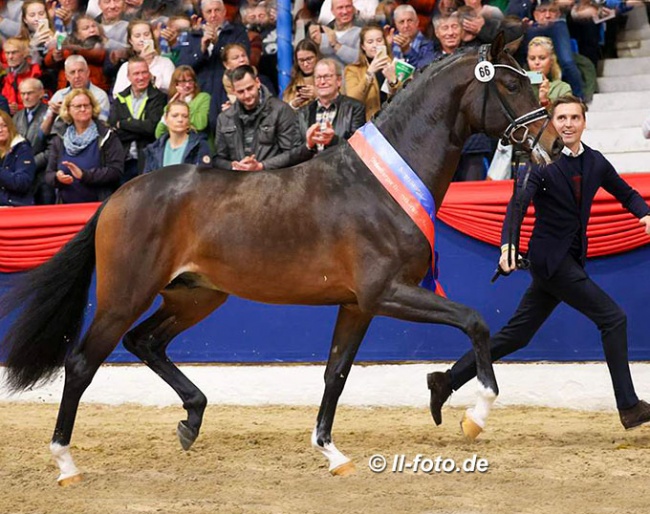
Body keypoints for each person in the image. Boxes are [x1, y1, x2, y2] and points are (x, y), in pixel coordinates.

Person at [428, 95, 650, 432]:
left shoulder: (595, 162)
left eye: (575, 118)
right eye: (561, 118)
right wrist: (508, 244)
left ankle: (446, 380)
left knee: (516, 336)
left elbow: (626, 193)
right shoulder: (540, 163)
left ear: (584, 122)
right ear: (552, 123)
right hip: (552, 262)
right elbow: (517, 205)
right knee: (613, 319)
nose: (568, 124)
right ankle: (629, 407)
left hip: (569, 262)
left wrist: (645, 214)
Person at [213, 65, 299, 171]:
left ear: (257, 82)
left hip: (273, 179)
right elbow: (218, 159)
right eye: (241, 91)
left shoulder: (281, 110)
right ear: (234, 91)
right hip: (238, 180)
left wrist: (261, 166)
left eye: (250, 88)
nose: (247, 95)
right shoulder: (224, 118)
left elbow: (292, 154)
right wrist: (235, 166)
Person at [45, 88, 124, 204]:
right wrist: (57, 177)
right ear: (68, 110)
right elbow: (48, 174)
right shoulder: (60, 138)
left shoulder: (107, 136)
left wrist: (84, 175)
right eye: (78, 106)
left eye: (86, 106)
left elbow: (116, 171)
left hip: (99, 207)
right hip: (66, 207)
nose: (83, 109)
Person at [176, 0, 250, 113]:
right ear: (203, 13)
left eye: (217, 10)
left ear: (224, 11)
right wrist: (202, 49)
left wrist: (218, 44)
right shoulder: (194, 36)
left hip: (228, 92)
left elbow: (243, 61)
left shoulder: (238, 33)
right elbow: (182, 66)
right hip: (200, 92)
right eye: (209, 11)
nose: (213, 15)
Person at [109, 56, 166, 181]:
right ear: (129, 77)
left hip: (148, 160)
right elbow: (114, 130)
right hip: (124, 161)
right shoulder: (120, 98)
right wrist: (141, 128)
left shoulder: (159, 97)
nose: (141, 77)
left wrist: (123, 124)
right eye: (136, 73)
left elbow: (152, 129)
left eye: (144, 72)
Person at [297, 58, 365, 153]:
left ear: (339, 81)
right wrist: (309, 145)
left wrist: (333, 140)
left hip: (341, 166)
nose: (322, 82)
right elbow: (295, 151)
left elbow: (358, 148)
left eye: (327, 77)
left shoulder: (355, 108)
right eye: (318, 77)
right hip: (311, 165)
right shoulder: (303, 112)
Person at [41, 55, 112, 137]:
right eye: (72, 72)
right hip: (58, 142)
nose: (77, 76)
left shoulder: (100, 96)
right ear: (67, 76)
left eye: (80, 71)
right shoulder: (59, 95)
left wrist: (65, 114)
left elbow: (100, 129)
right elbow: (43, 133)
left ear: (88, 72)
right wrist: (52, 115)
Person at [344, 23, 398, 121]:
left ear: (385, 43)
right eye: (370, 42)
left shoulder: (395, 65)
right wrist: (369, 73)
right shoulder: (352, 70)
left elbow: (406, 97)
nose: (375, 45)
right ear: (363, 46)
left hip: (394, 122)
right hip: (367, 124)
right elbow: (352, 100)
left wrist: (393, 81)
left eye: (379, 40)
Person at [44, 14, 111, 92]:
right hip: (66, 89)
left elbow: (97, 54)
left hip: (92, 90)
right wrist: (54, 56)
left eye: (94, 26)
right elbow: (47, 62)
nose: (92, 30)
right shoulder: (68, 45)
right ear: (76, 34)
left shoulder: (102, 43)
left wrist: (71, 48)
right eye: (86, 28)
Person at [13, 78, 52, 204]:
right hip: (22, 178)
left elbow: (52, 149)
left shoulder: (51, 115)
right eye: (23, 94)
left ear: (41, 93)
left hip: (44, 177)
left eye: (29, 93)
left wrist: (30, 163)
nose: (26, 97)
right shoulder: (17, 117)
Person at [112, 19, 176, 96]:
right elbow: (117, 95)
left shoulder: (165, 63)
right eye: (137, 36)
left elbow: (172, 90)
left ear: (152, 37)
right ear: (131, 41)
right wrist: (141, 62)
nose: (142, 39)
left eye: (146, 34)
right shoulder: (126, 67)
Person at [144, 101, 212, 173]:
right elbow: (147, 179)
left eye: (185, 116)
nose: (180, 120)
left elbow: (204, 177)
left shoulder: (199, 145)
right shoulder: (154, 148)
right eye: (175, 116)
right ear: (166, 119)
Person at [155, 66, 211, 139]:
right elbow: (159, 134)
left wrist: (183, 104)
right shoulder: (171, 104)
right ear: (176, 84)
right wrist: (169, 109)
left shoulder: (203, 97)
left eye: (190, 81)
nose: (187, 85)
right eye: (183, 82)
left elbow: (200, 124)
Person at [308, 0, 361, 67]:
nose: (345, 11)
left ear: (353, 9)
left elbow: (359, 59)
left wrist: (335, 44)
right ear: (332, 11)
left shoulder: (362, 31)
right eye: (340, 8)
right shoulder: (322, 31)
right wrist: (316, 44)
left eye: (348, 7)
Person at [0, 110, 36, 207]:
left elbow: (22, 182)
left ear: (10, 127)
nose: (0, 130)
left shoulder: (22, 149)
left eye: (4, 126)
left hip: (16, 206)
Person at [1, 37, 43, 115]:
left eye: (14, 52)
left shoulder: (36, 73)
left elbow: (44, 104)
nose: (10, 57)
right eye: (7, 53)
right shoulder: (6, 75)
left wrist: (20, 108)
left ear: (24, 54)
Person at [527, 36, 572, 109]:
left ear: (551, 60)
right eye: (532, 58)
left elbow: (564, 116)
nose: (537, 62)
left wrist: (544, 101)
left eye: (542, 58)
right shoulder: (520, 86)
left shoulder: (562, 88)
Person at [390, 4, 434, 70]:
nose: (406, 25)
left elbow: (423, 70)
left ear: (417, 22)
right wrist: (387, 47)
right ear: (396, 24)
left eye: (409, 20)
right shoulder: (391, 41)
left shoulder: (427, 44)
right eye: (402, 22)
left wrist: (407, 50)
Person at [283, 38, 320, 111]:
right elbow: (283, 114)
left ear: (317, 57)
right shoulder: (292, 84)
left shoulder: (328, 77)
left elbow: (340, 104)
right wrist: (294, 104)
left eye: (309, 59)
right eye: (301, 60)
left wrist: (318, 96)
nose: (306, 64)